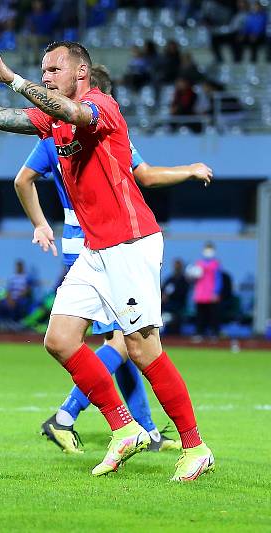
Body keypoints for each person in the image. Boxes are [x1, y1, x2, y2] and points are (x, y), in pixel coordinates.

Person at [0, 38, 213, 480]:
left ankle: (195, 446)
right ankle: (124, 428)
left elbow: (74, 114)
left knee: (141, 348)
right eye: (41, 70)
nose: (45, 76)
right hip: (97, 249)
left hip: (130, 242)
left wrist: (14, 80)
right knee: (58, 339)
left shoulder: (102, 106)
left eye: (53, 69)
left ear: (80, 73)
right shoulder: (50, 122)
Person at [15, 64, 211, 454]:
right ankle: (69, 415)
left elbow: (23, 178)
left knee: (124, 343)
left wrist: (40, 223)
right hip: (95, 244)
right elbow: (147, 175)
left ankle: (144, 429)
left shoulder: (102, 124)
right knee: (126, 344)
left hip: (100, 242)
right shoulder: (59, 126)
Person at [190, 242, 222, 340]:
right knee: (200, 315)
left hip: (211, 294)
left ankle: (214, 333)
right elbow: (194, 278)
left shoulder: (216, 264)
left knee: (212, 315)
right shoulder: (198, 263)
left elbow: (218, 279)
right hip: (200, 294)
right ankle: (199, 333)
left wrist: (216, 292)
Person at [162, 259, 191, 336]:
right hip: (165, 307)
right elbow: (163, 291)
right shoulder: (170, 279)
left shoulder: (184, 280)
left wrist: (170, 296)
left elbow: (182, 295)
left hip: (177, 307)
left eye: (178, 266)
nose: (176, 267)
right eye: (175, 265)